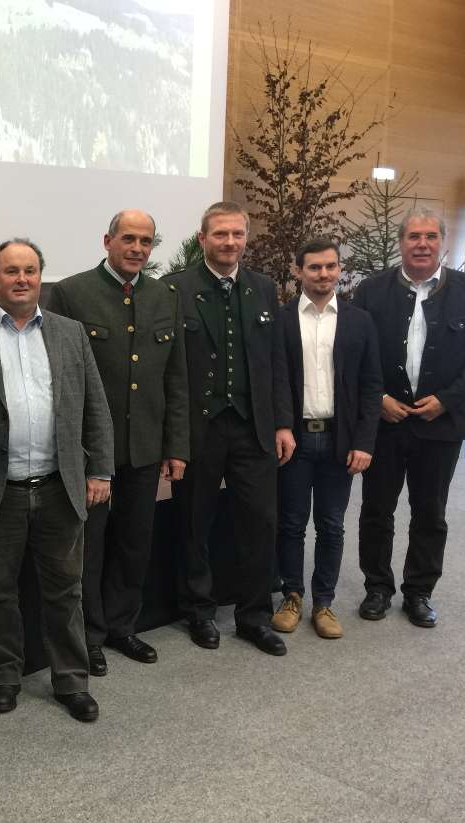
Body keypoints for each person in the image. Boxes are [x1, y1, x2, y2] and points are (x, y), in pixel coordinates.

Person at [0, 238, 113, 721]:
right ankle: (4, 675)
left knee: (66, 590)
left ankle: (71, 679)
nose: (21, 279)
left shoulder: (70, 333)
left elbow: (95, 406)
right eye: (11, 271)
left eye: (30, 270)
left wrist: (100, 468)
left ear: (41, 277)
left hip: (58, 484)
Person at [49, 209, 189, 671]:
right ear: (107, 240)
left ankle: (122, 626)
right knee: (89, 544)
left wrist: (176, 446)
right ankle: (88, 635)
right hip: (92, 451)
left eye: (146, 242)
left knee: (134, 541)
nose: (137, 249)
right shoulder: (72, 293)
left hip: (145, 445)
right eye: (128, 239)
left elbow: (176, 378)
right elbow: (61, 380)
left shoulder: (163, 295)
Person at [161, 201, 295, 656]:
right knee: (194, 521)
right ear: (202, 239)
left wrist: (282, 423)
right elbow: (168, 370)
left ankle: (254, 616)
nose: (230, 242)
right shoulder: (174, 289)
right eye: (220, 234)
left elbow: (275, 363)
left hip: (253, 427)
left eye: (237, 234)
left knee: (260, 523)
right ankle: (199, 611)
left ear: (246, 237)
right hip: (200, 428)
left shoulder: (263, 288)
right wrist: (171, 437)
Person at [353, 209, 465, 627]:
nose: (422, 244)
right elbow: (355, 355)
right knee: (376, 510)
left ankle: (419, 592)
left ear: (443, 243)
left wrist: (447, 400)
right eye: (414, 236)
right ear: (401, 243)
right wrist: (377, 398)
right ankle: (377, 587)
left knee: (430, 512)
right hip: (384, 422)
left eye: (430, 236)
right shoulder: (370, 291)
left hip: (441, 425)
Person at [273, 239, 382, 639]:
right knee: (290, 523)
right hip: (295, 440)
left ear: (340, 270)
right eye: (315, 267)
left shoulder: (359, 321)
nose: (324, 274)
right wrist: (281, 425)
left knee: (332, 525)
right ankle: (291, 595)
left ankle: (323, 602)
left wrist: (365, 441)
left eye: (331, 267)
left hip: (341, 441)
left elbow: (372, 387)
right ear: (298, 271)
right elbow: (276, 380)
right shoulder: (282, 319)